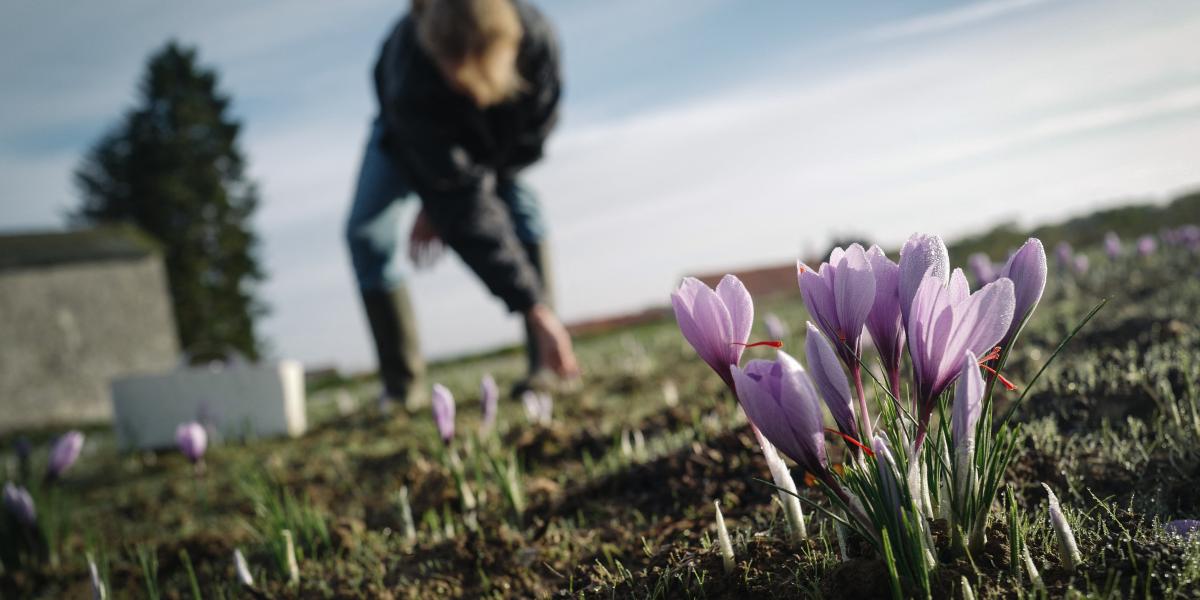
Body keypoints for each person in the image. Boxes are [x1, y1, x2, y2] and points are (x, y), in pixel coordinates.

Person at [345, 0, 579, 410]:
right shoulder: (410, 75)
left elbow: (532, 136)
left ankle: (545, 363)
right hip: (405, 137)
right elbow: (461, 205)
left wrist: (471, 184)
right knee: (365, 233)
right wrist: (439, 196)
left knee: (521, 210)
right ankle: (402, 387)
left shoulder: (536, 43)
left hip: (494, 146)